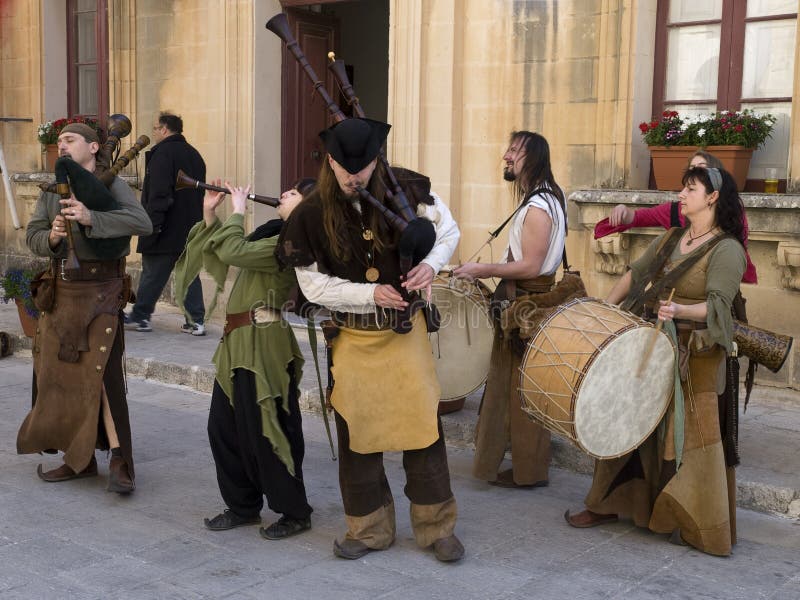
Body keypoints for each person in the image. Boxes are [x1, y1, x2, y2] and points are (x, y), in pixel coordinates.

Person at [277, 117, 464, 562]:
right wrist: (370, 294)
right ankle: (368, 529)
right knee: (357, 433)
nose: (352, 177)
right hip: (354, 337)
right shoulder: (309, 213)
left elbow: (449, 232)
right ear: (330, 162)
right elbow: (313, 287)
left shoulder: (409, 192)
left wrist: (431, 266)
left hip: (405, 335)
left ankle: (437, 527)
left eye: (361, 169)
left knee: (423, 427)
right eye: (344, 168)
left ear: (377, 160)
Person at [565, 166, 746, 557]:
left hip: (694, 355)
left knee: (694, 440)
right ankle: (607, 504)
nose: (682, 194)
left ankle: (696, 522)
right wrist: (604, 310)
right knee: (625, 420)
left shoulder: (728, 249)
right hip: (649, 345)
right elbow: (636, 274)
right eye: (683, 186)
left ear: (713, 197)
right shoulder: (673, 237)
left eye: (691, 188)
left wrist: (681, 308)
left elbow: (720, 310)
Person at [173, 178, 315, 539]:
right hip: (238, 342)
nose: (283, 192)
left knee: (268, 428)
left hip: (264, 344)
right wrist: (209, 212)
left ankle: (294, 511)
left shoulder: (293, 243)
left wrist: (238, 210)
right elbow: (222, 249)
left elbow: (234, 252)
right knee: (224, 428)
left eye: (294, 193)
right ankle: (243, 505)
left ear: (309, 208)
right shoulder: (271, 233)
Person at [18, 122, 152, 493]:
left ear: (93, 148)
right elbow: (33, 235)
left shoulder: (113, 184)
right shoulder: (52, 188)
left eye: (70, 139)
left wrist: (92, 217)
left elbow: (142, 222)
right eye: (59, 140)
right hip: (62, 291)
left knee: (104, 377)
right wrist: (54, 236)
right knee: (61, 377)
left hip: (102, 290)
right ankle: (78, 458)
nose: (61, 145)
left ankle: (121, 459)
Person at [453, 131, 567, 489]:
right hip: (522, 303)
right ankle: (524, 469)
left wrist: (481, 269)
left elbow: (531, 266)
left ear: (532, 159)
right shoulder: (542, 199)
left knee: (520, 391)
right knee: (518, 389)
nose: (506, 156)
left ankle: (528, 472)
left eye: (515, 151)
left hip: (526, 309)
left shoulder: (538, 206)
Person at [594, 150, 757, 284]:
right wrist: (623, 210)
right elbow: (640, 217)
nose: (695, 173)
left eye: (701, 169)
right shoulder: (674, 214)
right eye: (691, 169)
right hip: (677, 289)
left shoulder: (732, 216)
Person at [125, 112, 207, 334]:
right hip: (191, 226)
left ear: (164, 129)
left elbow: (159, 194)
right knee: (188, 273)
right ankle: (196, 320)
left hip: (164, 225)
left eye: (155, 128)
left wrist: (152, 225)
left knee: (153, 271)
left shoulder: (162, 154)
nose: (153, 133)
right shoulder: (195, 154)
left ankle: (141, 317)